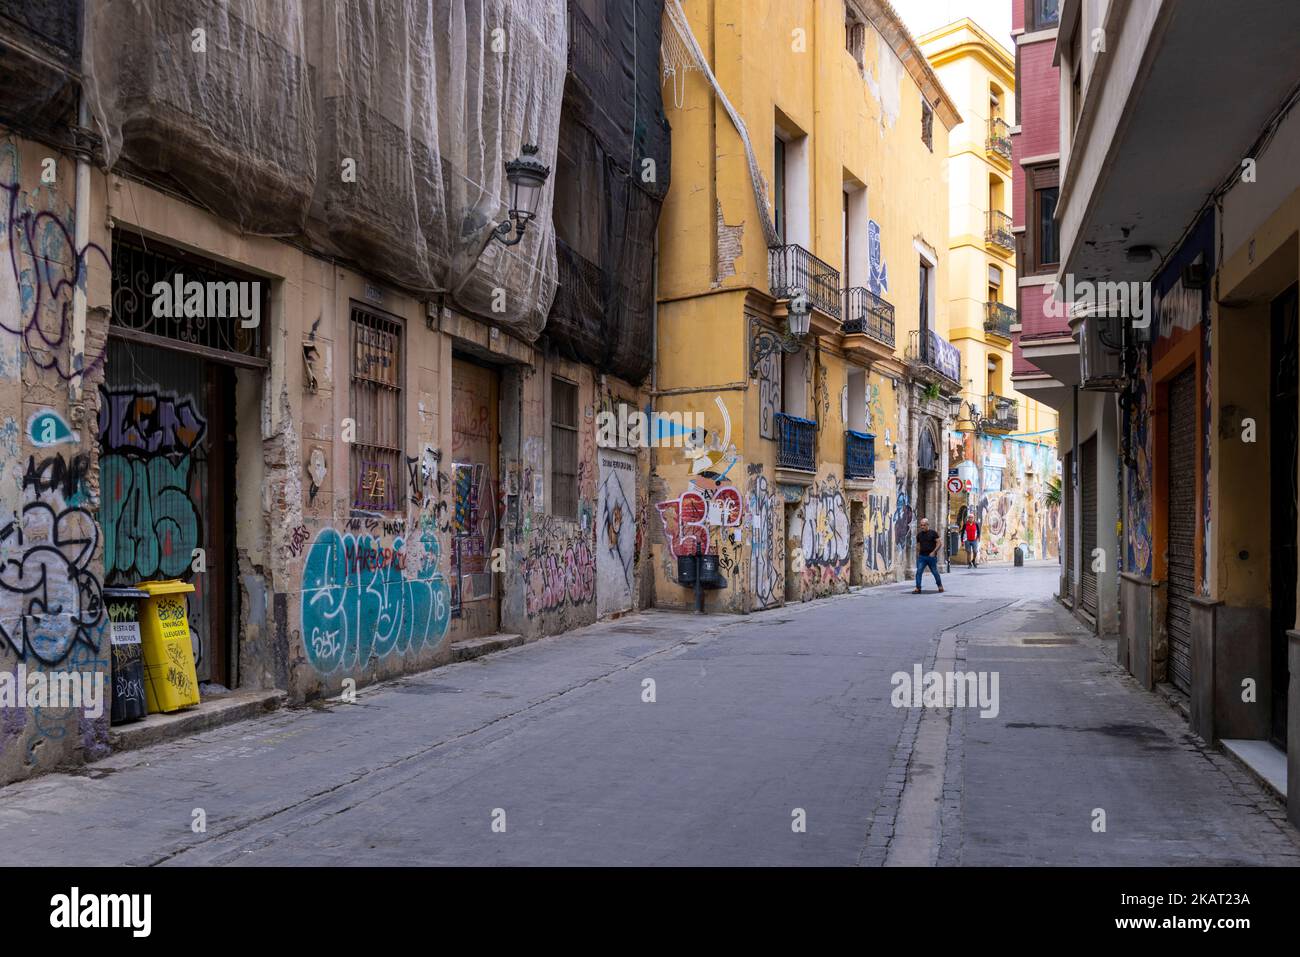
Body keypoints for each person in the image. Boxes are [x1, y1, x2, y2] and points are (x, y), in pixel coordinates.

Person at [913, 517, 944, 593]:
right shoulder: (919, 535)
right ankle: (918, 588)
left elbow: (939, 543)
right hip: (922, 557)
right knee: (919, 572)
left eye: (924, 525)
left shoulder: (933, 533)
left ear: (927, 525)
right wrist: (918, 553)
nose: (922, 527)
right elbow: (918, 544)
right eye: (921, 525)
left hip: (931, 557)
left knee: (934, 572)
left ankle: (940, 586)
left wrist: (934, 552)